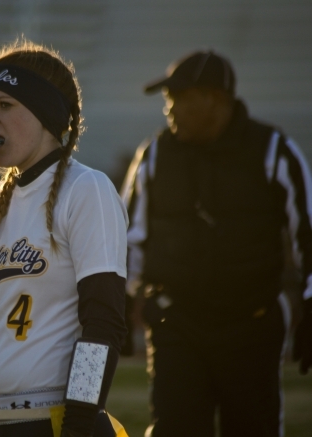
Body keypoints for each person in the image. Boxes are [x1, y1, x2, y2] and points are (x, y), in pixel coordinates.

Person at [0, 40, 129, 437]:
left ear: (46, 113)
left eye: (5, 105)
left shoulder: (86, 188)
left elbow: (103, 324)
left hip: (54, 421)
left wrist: (78, 425)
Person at [121, 50, 312, 437]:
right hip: (177, 322)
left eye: (179, 99)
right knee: (175, 428)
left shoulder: (273, 151)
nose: (170, 111)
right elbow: (129, 239)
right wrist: (119, 303)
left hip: (253, 325)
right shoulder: (154, 155)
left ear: (215, 99)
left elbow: (307, 232)